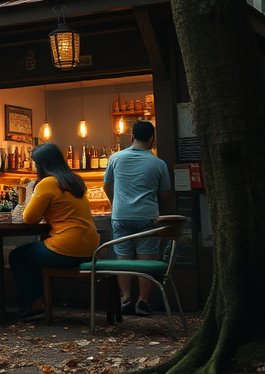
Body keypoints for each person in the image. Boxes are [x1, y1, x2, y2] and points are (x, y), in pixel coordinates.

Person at [9, 142, 100, 321]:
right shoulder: (73, 180)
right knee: (32, 255)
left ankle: (37, 305)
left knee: (17, 257)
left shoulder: (48, 183)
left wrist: (29, 192)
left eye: (35, 163)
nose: (34, 167)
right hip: (90, 247)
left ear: (42, 164)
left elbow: (29, 218)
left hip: (66, 247)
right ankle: (43, 302)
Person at [104, 120, 170, 316]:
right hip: (147, 216)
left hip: (120, 215)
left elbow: (107, 185)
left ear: (131, 137)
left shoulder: (115, 158)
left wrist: (115, 204)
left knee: (122, 257)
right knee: (146, 259)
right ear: (152, 139)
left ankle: (125, 299)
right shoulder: (158, 163)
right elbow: (166, 194)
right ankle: (143, 301)